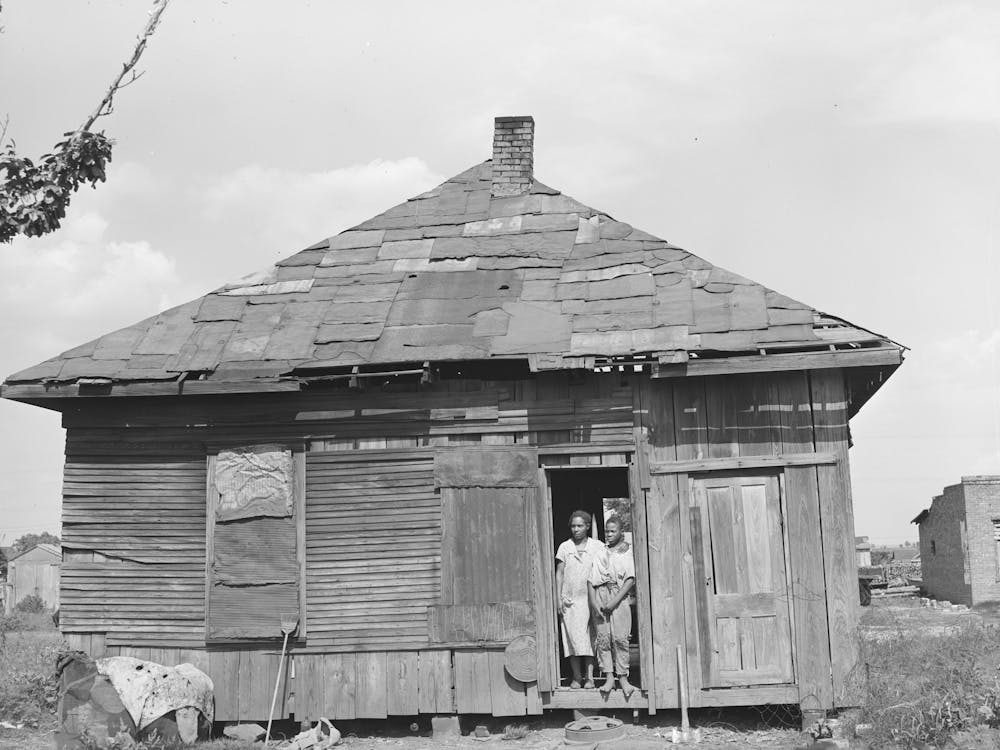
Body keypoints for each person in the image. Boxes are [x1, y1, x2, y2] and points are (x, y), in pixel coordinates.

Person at [555, 510, 605, 689]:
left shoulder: (597, 546)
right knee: (572, 639)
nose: (576, 529)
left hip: (591, 599)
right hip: (571, 601)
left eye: (580, 526)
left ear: (587, 527)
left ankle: (590, 678)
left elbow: (606, 565)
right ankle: (576, 677)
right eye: (573, 526)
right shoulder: (565, 547)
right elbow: (559, 574)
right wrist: (558, 598)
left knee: (591, 638)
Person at [588, 514, 636, 697]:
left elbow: (630, 580)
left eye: (612, 531)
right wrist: (595, 603)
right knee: (603, 639)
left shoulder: (627, 552)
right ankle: (609, 677)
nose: (608, 534)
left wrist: (614, 601)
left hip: (619, 597)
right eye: (606, 531)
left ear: (620, 532)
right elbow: (591, 580)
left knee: (620, 638)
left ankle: (623, 677)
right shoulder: (600, 553)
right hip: (600, 594)